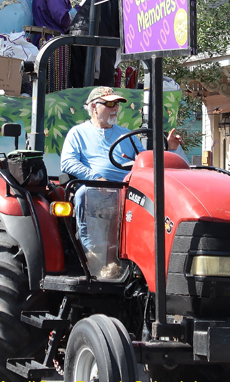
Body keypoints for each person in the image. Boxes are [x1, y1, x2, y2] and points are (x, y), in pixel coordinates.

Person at [60, 87, 182, 277]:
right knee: (85, 193)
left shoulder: (127, 135)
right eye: (109, 104)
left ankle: (148, 259)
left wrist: (170, 149)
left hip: (127, 187)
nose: (115, 108)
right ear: (94, 107)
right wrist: (95, 178)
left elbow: (146, 162)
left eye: (116, 104)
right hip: (96, 187)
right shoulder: (78, 133)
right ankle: (94, 256)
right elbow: (68, 162)